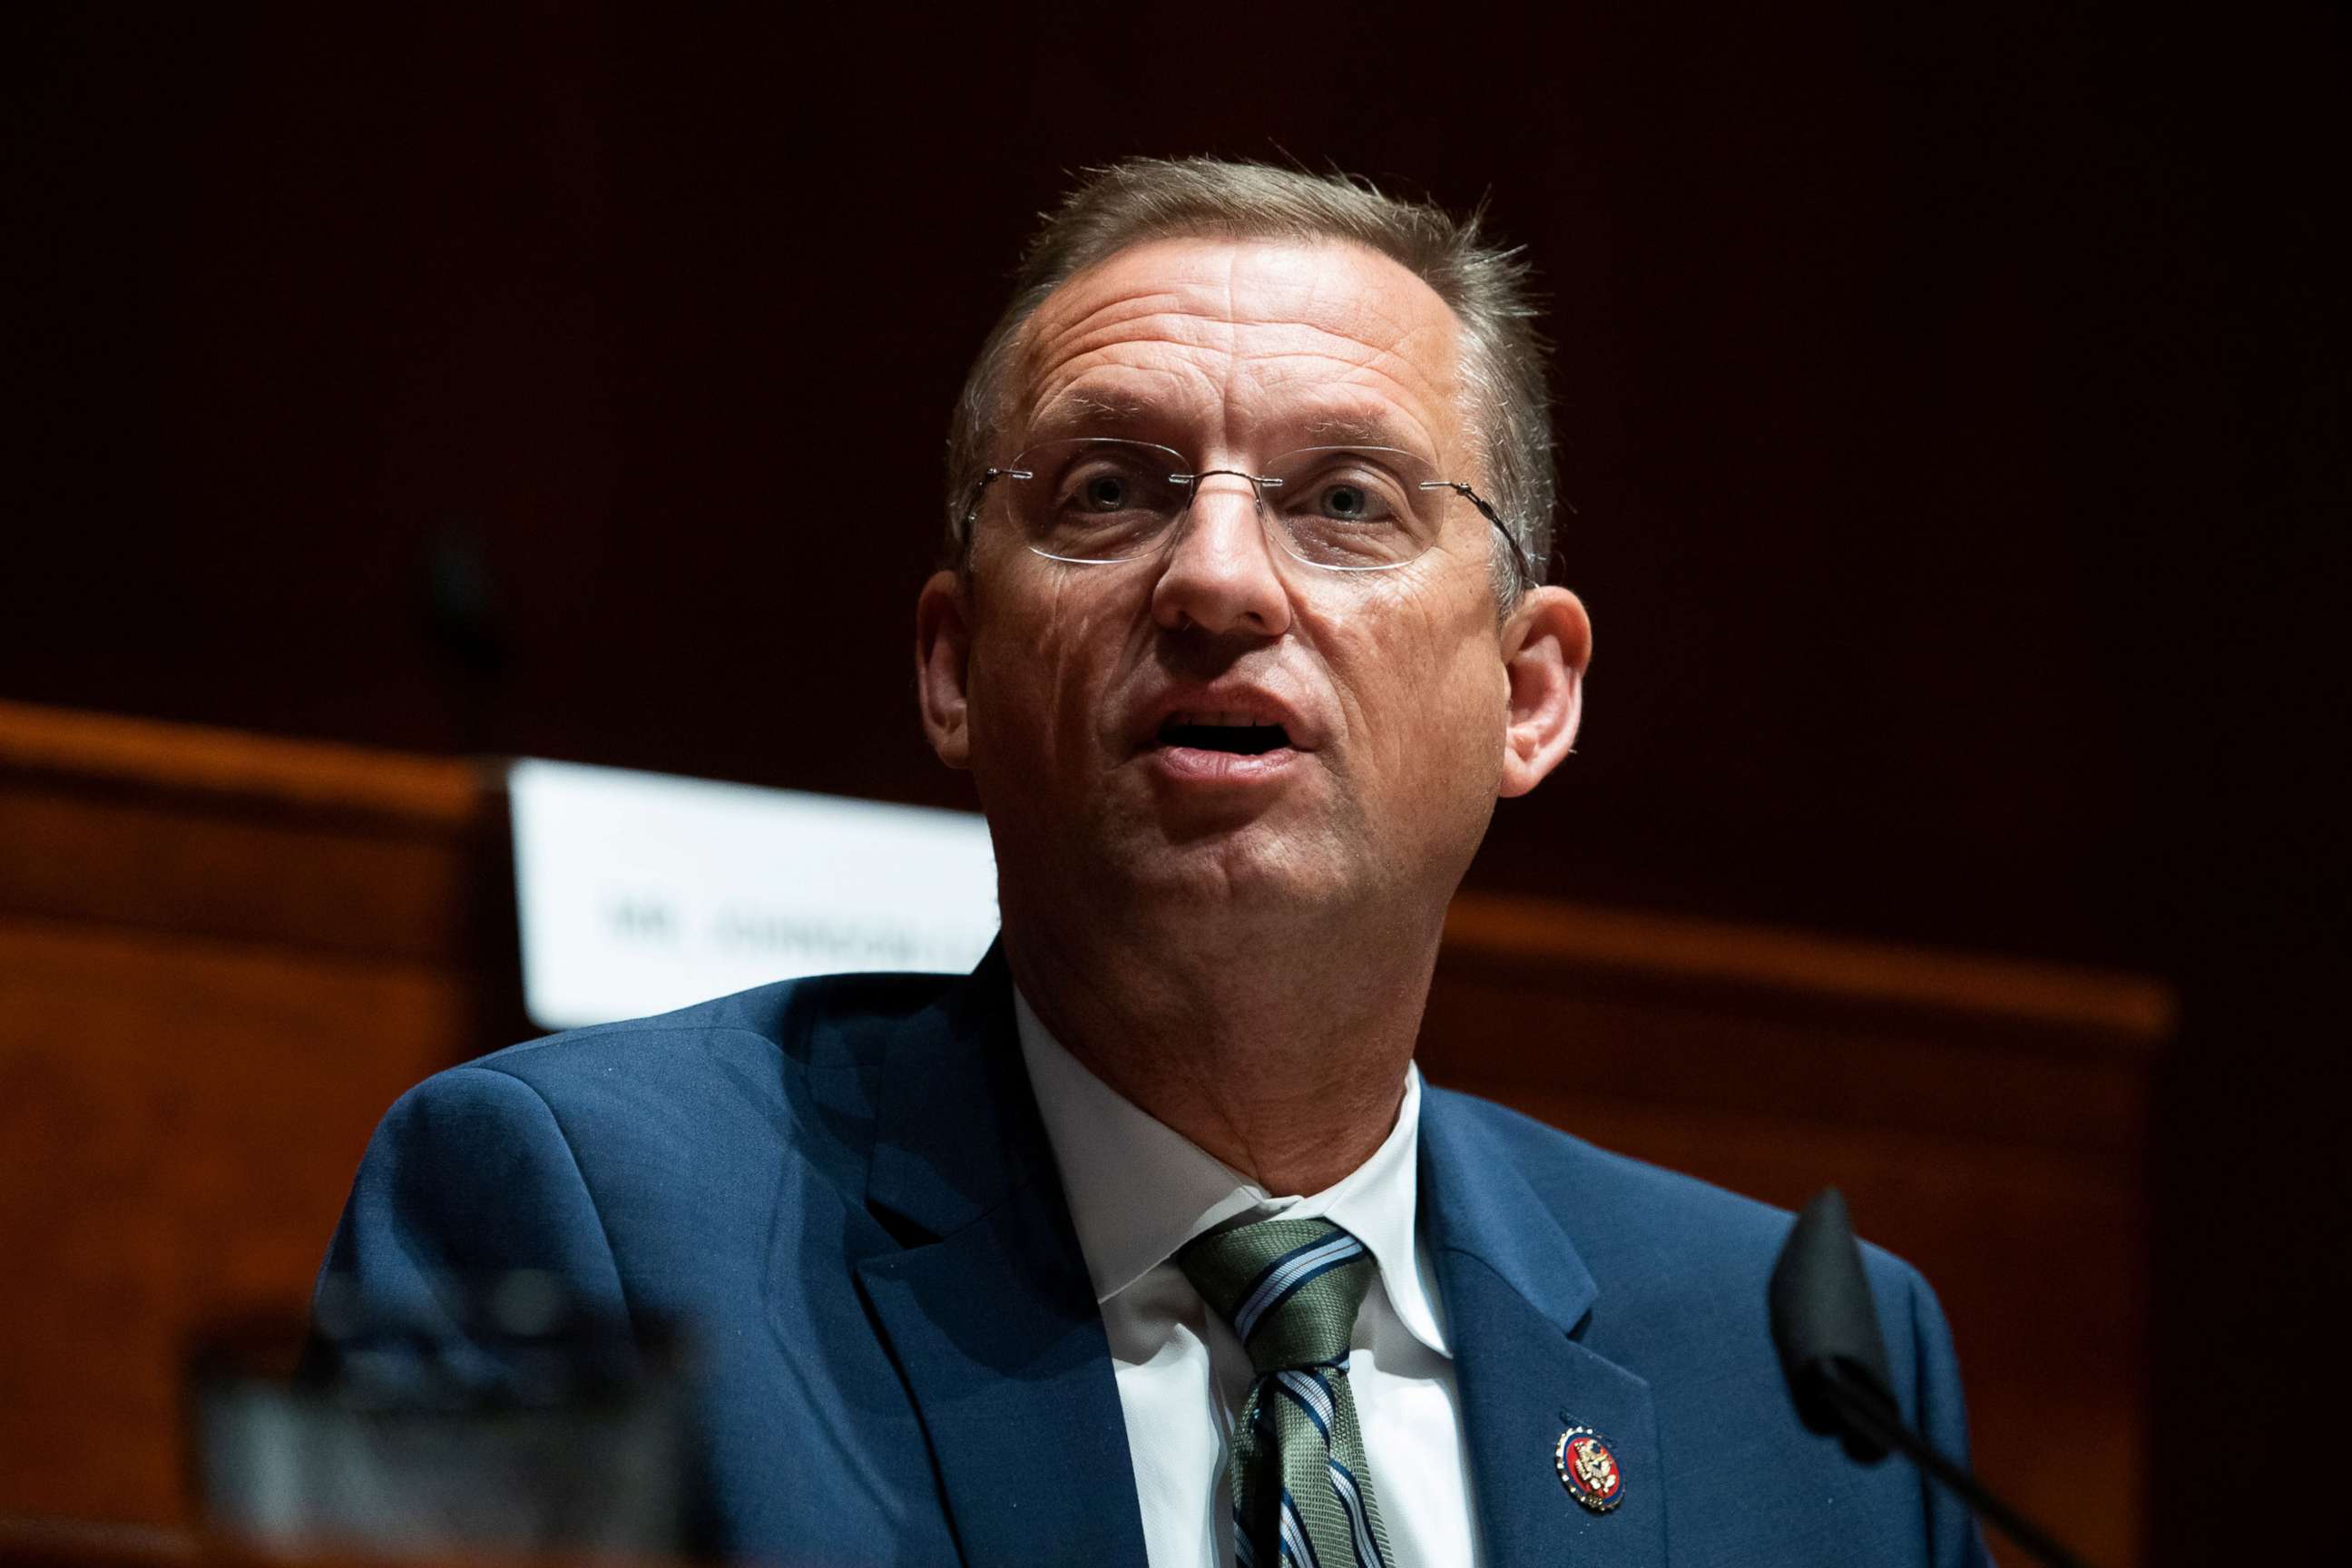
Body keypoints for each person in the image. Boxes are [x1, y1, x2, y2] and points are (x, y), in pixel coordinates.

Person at [314, 158, 1991, 1567]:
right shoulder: (581, 1227)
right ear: (958, 667)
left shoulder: (1803, 1370)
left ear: (1528, 695)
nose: (1216, 581)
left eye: (1344, 502)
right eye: (1112, 489)